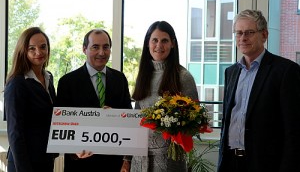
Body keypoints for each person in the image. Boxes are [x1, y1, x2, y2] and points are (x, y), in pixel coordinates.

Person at [217, 9, 300, 172]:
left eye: (249, 32)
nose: (243, 38)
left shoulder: (286, 71)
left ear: (264, 35)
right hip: (231, 162)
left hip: (266, 164)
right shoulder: (231, 72)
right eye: (238, 33)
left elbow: (294, 130)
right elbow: (228, 122)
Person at [121, 21, 198, 172]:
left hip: (170, 161)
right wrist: (127, 159)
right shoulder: (143, 76)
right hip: (139, 159)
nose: (159, 45)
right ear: (147, 44)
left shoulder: (183, 77)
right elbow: (135, 122)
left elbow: (193, 123)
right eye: (154, 40)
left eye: (164, 41)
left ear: (173, 44)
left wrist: (171, 125)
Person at [56, 28, 132, 172]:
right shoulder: (67, 82)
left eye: (106, 47)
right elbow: (61, 125)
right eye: (95, 47)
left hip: (113, 163)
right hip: (80, 164)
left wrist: (115, 116)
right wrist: (74, 150)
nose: (101, 53)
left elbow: (128, 117)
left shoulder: (120, 79)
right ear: (84, 49)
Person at [4, 27, 58, 172]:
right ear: (23, 51)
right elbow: (15, 133)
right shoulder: (17, 83)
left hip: (45, 159)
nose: (39, 52)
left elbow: (56, 115)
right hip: (24, 163)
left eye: (43, 47)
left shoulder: (49, 78)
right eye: (32, 48)